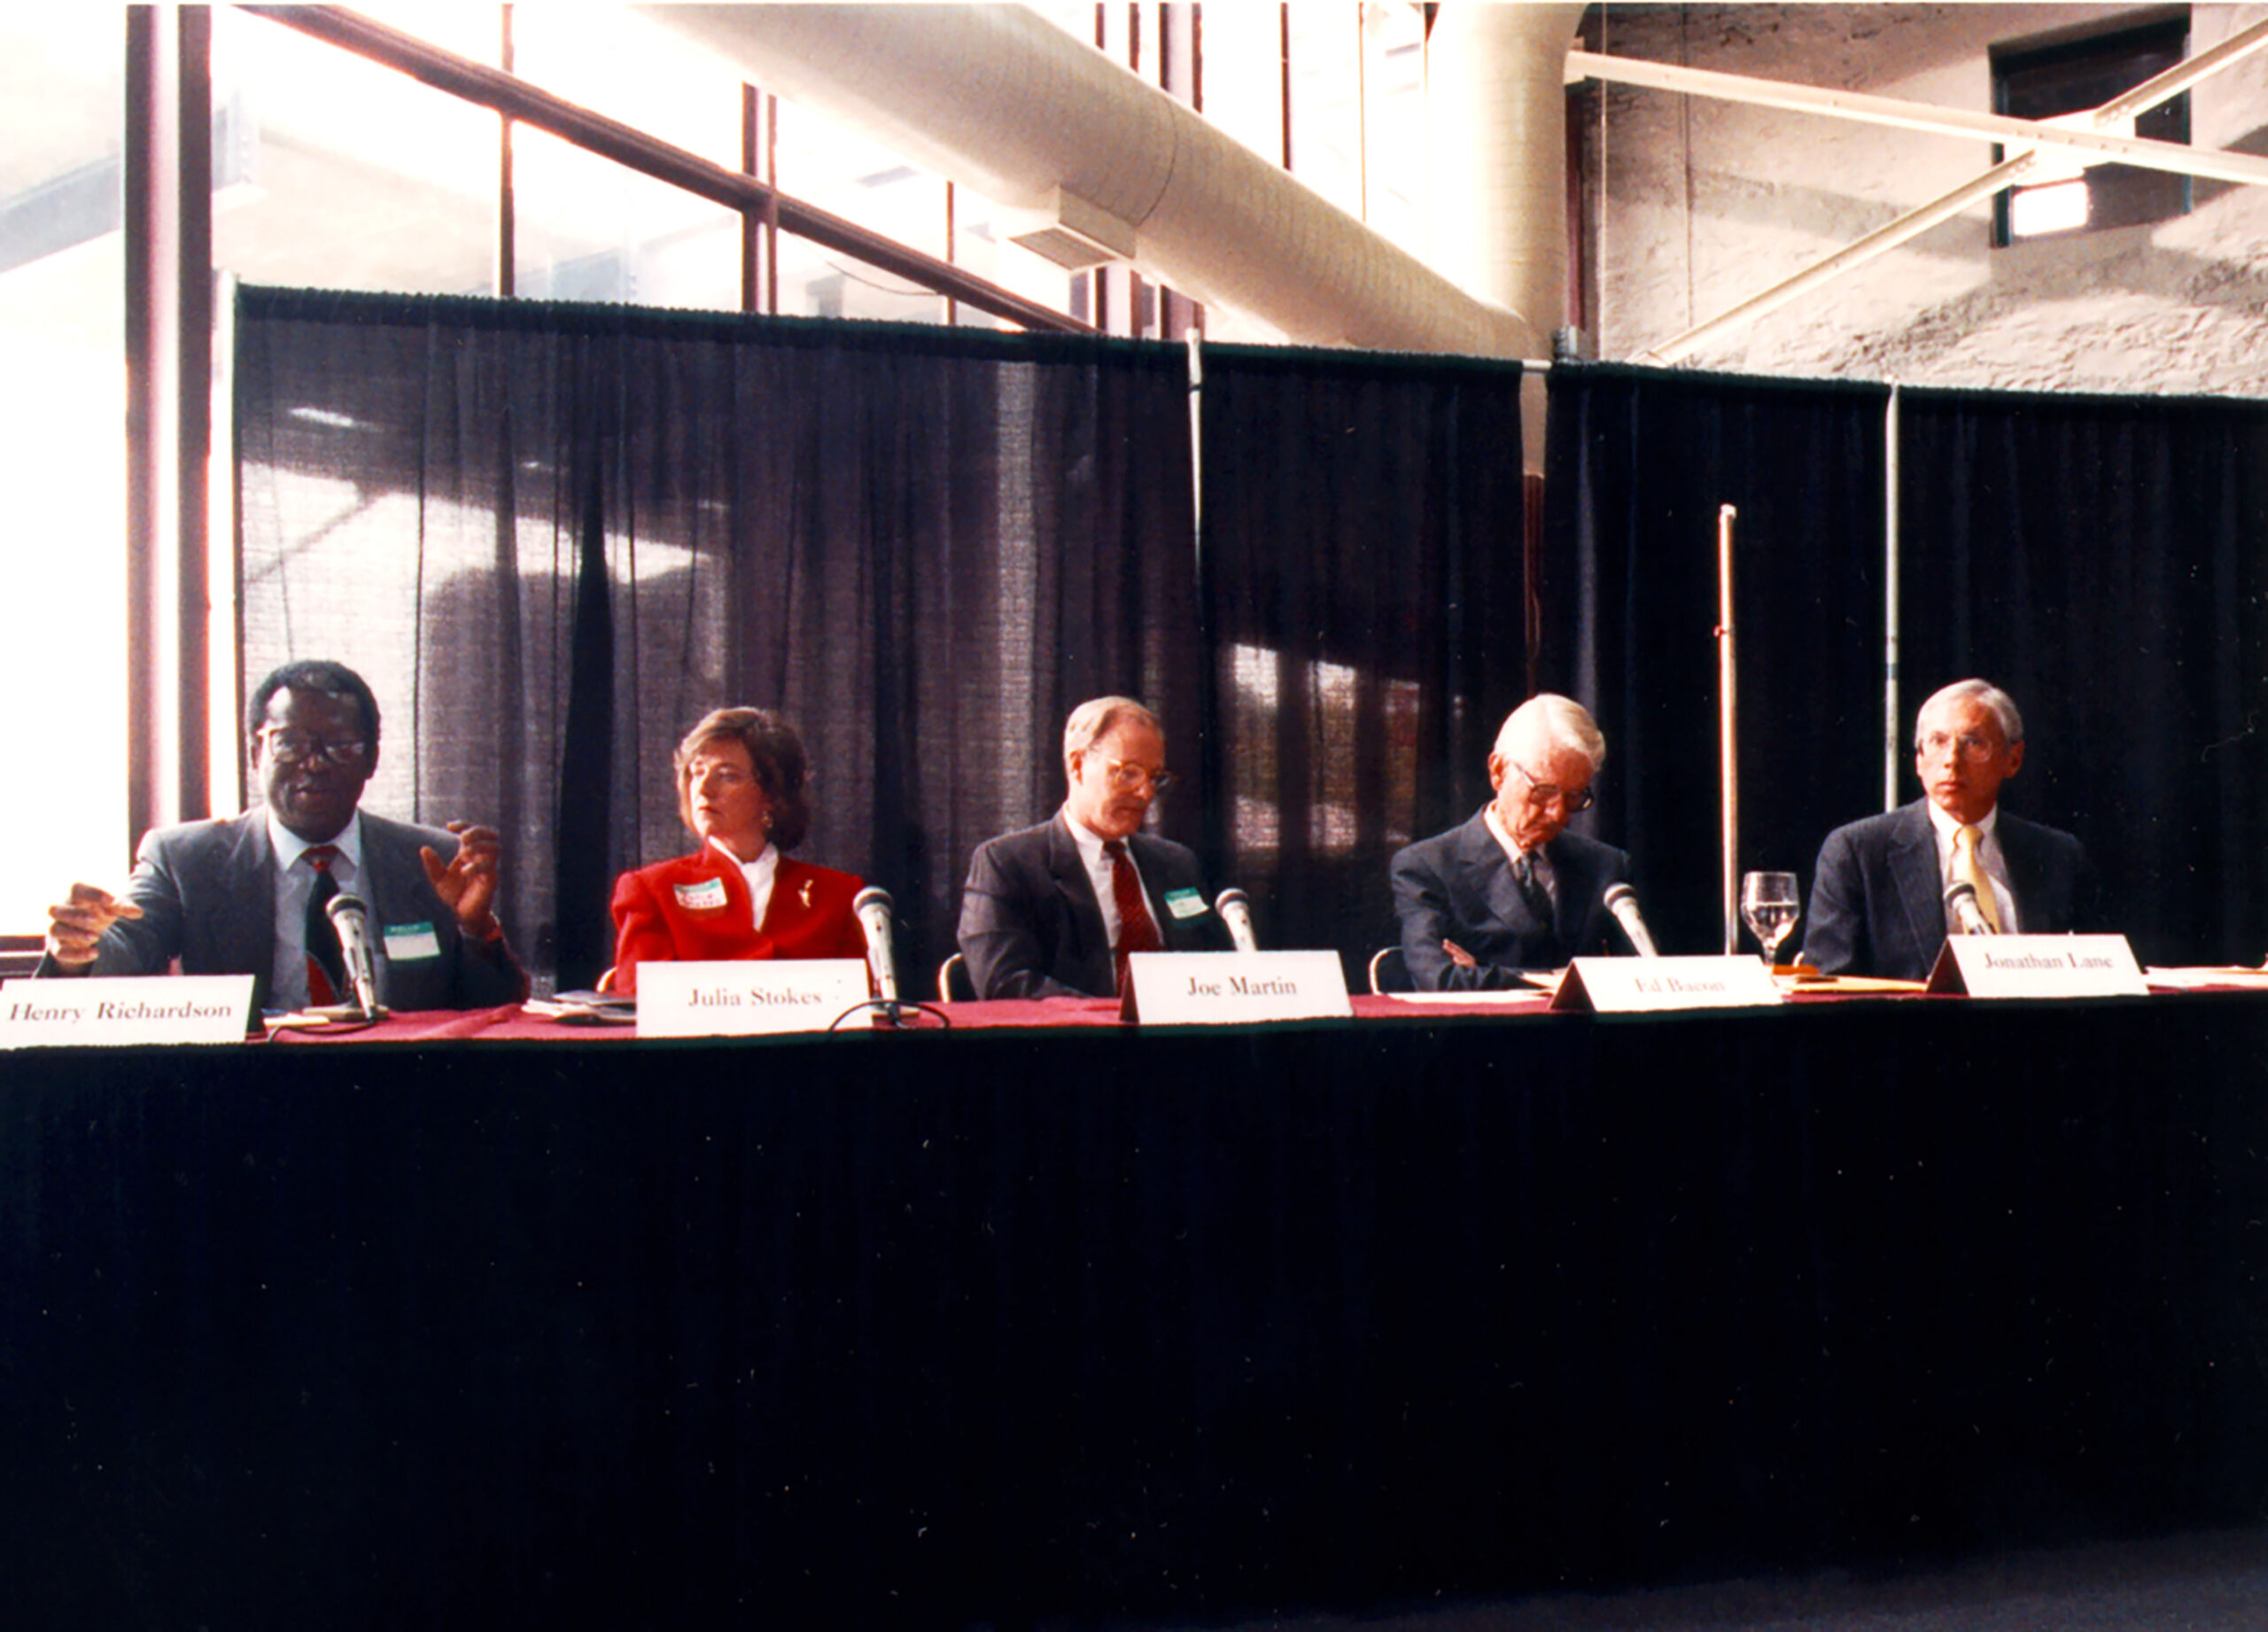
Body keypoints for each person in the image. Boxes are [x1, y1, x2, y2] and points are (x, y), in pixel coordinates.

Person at [42, 658, 526, 1011]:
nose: (312, 764)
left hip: (396, 1096)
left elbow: (495, 1012)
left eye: (338, 746)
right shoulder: (185, 859)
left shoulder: (433, 861)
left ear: (372, 760)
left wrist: (476, 929)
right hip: (248, 1095)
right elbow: (126, 946)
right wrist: (76, 953)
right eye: (289, 743)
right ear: (257, 754)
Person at [1804, 678, 2097, 981]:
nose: (1951, 761)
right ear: (1919, 760)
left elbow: (2101, 974)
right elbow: (1829, 987)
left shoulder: (2058, 854)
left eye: (1973, 743)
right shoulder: (1858, 852)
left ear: (2013, 759)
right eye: (1938, 742)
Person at [958, 696, 1222, 999]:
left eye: (1154, 778)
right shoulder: (1007, 864)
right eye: (1128, 772)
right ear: (1078, 765)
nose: (1145, 792)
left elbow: (1216, 965)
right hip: (1078, 1042)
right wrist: (1116, 1019)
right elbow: (1006, 984)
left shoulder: (1177, 863)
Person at [608, 707, 866, 994]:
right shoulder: (651, 890)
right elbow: (639, 1010)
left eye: (727, 776)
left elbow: (858, 1010)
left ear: (771, 794)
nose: (703, 789)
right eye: (696, 773)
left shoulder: (840, 895)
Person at [1390, 693, 1633, 989]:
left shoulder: (1605, 865)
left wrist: (1483, 971)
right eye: (1543, 791)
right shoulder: (1427, 867)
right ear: (1498, 772)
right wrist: (1557, 981)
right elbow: (1441, 980)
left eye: (1574, 796)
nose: (1558, 814)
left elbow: (1641, 977)